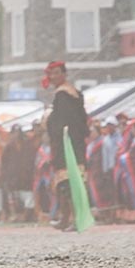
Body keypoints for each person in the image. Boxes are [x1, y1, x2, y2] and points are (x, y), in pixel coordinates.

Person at [42, 61, 87, 231]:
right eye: (51, 73)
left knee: (69, 182)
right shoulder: (75, 94)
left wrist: (48, 119)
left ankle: (75, 219)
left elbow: (60, 122)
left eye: (56, 73)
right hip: (75, 142)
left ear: (64, 74)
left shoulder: (63, 95)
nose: (53, 77)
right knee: (64, 182)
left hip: (66, 143)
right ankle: (65, 217)